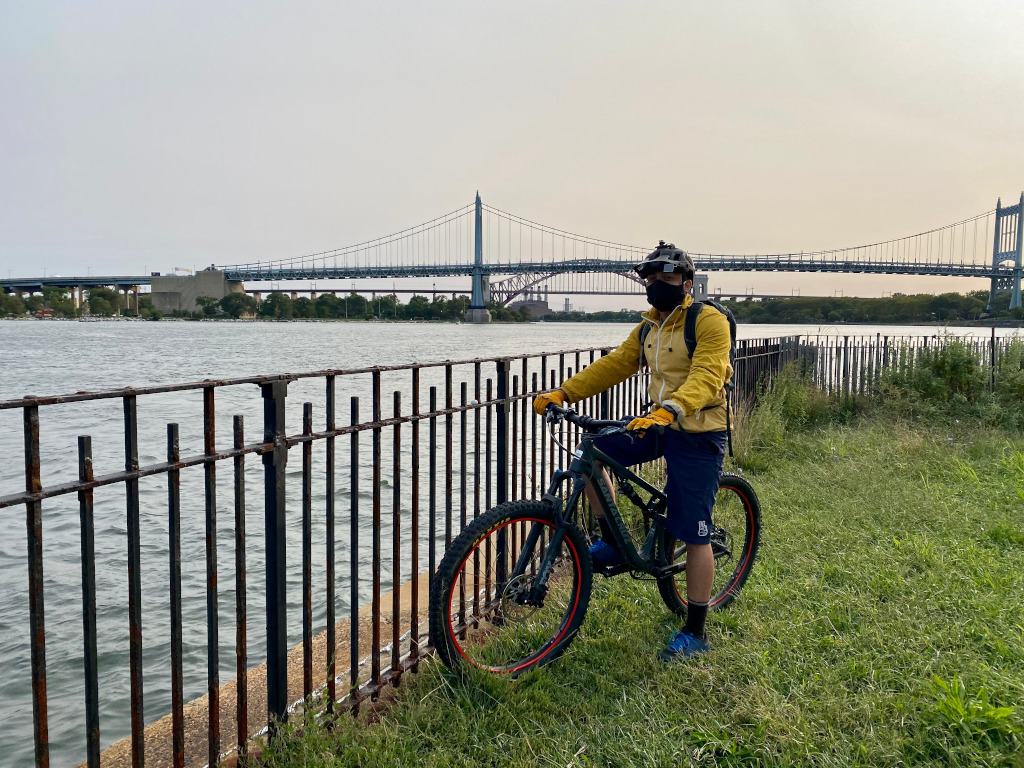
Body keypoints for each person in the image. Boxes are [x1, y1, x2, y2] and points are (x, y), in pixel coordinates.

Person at [532, 242, 733, 662]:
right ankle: (610, 541)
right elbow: (616, 365)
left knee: (694, 530)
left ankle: (696, 630)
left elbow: (708, 375)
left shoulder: (708, 321)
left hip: (698, 430)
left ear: (687, 283)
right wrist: (564, 392)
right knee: (591, 455)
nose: (658, 285)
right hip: (656, 422)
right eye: (652, 279)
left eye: (667, 278)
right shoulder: (649, 328)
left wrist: (672, 409)